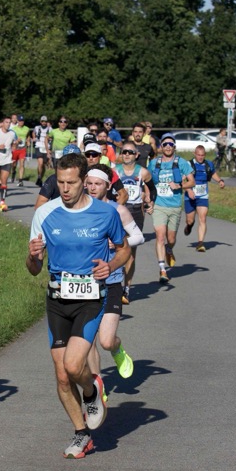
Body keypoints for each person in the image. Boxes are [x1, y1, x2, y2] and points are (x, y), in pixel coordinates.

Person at [26, 152, 130, 459]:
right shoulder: (45, 214)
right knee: (61, 376)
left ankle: (90, 388)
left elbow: (124, 250)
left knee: (73, 366)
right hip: (57, 299)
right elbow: (33, 269)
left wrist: (110, 266)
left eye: (71, 182)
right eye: (60, 182)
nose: (65, 188)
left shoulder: (106, 213)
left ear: (84, 181)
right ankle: (81, 434)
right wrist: (33, 256)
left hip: (90, 298)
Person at [83, 166, 140, 395]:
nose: (92, 188)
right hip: (86, 283)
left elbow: (138, 236)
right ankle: (99, 389)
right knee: (88, 341)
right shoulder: (80, 210)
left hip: (113, 280)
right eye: (89, 183)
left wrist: (117, 243)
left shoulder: (118, 210)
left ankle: (117, 350)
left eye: (98, 184)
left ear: (107, 186)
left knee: (106, 341)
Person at [147, 136, 193, 284]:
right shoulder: (154, 163)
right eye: (165, 144)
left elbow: (192, 181)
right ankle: (162, 270)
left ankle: (169, 248)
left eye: (170, 144)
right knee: (160, 236)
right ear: (161, 146)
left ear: (174, 147)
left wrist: (180, 186)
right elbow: (146, 182)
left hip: (174, 206)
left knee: (171, 239)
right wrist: (148, 200)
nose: (168, 146)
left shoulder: (181, 162)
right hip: (159, 205)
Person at [115, 144, 153, 302]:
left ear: (136, 155)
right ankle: (114, 285)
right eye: (124, 152)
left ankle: (126, 289)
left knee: (131, 252)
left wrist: (151, 202)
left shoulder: (143, 172)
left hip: (136, 211)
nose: (127, 154)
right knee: (116, 248)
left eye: (130, 152)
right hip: (119, 210)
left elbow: (152, 188)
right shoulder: (115, 170)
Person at [183, 145, 224, 253]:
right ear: (194, 154)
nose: (200, 157)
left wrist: (220, 181)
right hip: (190, 196)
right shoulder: (188, 165)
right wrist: (189, 190)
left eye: (202, 155)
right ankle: (189, 226)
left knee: (203, 218)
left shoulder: (208, 164)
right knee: (190, 220)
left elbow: (213, 173)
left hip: (203, 195)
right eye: (198, 155)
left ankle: (200, 243)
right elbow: (181, 180)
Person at [10, 114, 31, 185]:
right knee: (14, 164)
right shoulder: (13, 129)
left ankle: (20, 180)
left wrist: (28, 141)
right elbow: (10, 138)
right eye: (20, 121)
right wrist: (16, 141)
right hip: (15, 148)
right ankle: (13, 172)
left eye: (22, 121)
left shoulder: (27, 128)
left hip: (23, 149)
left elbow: (28, 136)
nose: (21, 122)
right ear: (17, 121)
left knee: (22, 164)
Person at [33, 115, 53, 184]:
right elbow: (33, 133)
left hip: (46, 147)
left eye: (45, 121)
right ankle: (39, 176)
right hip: (39, 146)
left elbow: (52, 137)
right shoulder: (37, 128)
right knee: (40, 163)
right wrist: (34, 138)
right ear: (40, 122)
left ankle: (40, 178)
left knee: (43, 165)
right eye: (42, 121)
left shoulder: (50, 129)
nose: (44, 123)